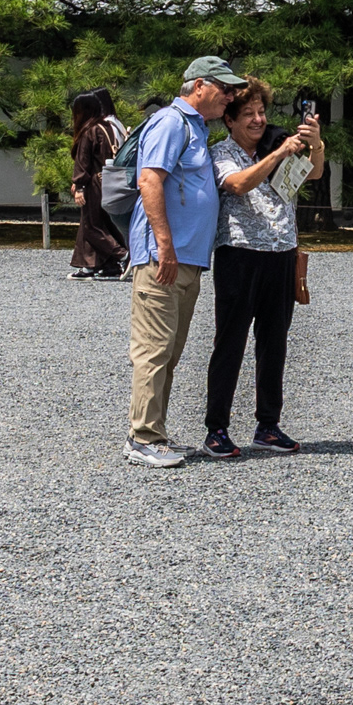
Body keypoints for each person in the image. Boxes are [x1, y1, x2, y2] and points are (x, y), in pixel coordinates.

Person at [123, 55, 242, 468]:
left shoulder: (194, 128)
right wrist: (164, 244)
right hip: (165, 257)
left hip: (186, 258)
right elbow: (150, 178)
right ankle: (143, 437)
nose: (230, 96)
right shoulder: (172, 122)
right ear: (199, 86)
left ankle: (154, 432)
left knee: (169, 351)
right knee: (154, 350)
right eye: (224, 88)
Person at [203, 82, 322, 456]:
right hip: (239, 254)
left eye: (261, 112)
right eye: (249, 114)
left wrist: (315, 143)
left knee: (275, 343)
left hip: (282, 253)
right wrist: (279, 153)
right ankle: (216, 429)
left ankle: (268, 425)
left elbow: (313, 174)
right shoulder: (221, 153)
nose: (258, 120)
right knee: (231, 341)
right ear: (229, 120)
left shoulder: (277, 143)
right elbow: (238, 184)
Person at [65, 87, 127, 279]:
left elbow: (83, 161)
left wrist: (79, 186)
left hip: (94, 184)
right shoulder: (110, 127)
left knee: (92, 226)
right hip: (110, 180)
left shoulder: (89, 131)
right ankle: (98, 265)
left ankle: (123, 255)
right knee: (105, 224)